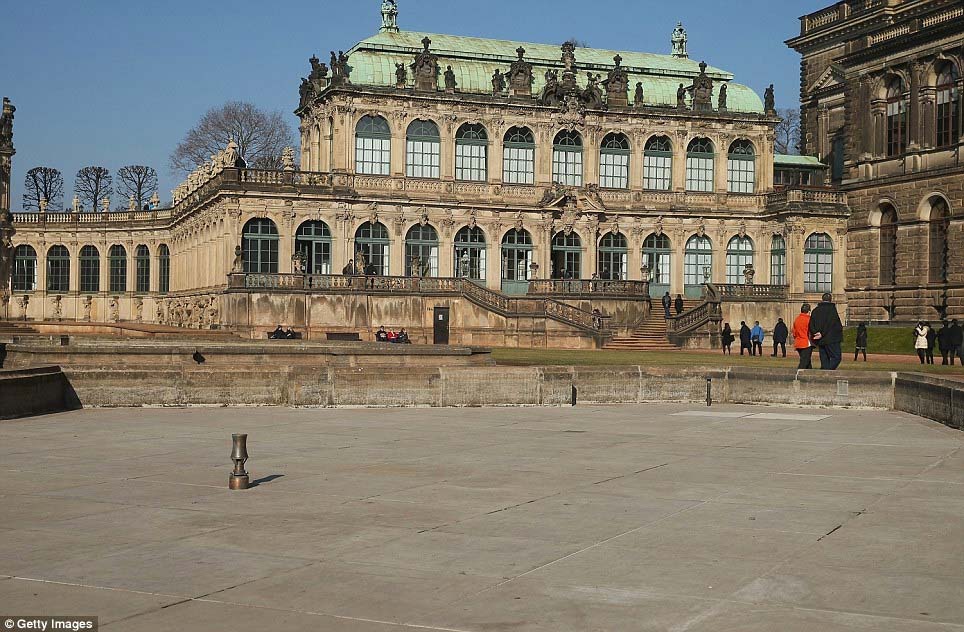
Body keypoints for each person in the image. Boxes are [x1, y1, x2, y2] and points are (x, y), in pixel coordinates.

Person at [808, 293, 844, 370]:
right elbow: (830, 324)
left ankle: (824, 373)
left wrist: (815, 333)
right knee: (837, 357)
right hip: (831, 338)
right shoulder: (832, 310)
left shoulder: (815, 310)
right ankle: (828, 372)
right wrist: (822, 334)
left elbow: (811, 324)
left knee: (824, 360)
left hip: (820, 339)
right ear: (831, 299)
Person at [793, 304, 813, 369]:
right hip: (806, 343)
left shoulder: (797, 319)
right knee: (804, 362)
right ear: (809, 311)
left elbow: (794, 332)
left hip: (798, 342)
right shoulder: (809, 319)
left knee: (807, 361)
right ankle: (797, 376)